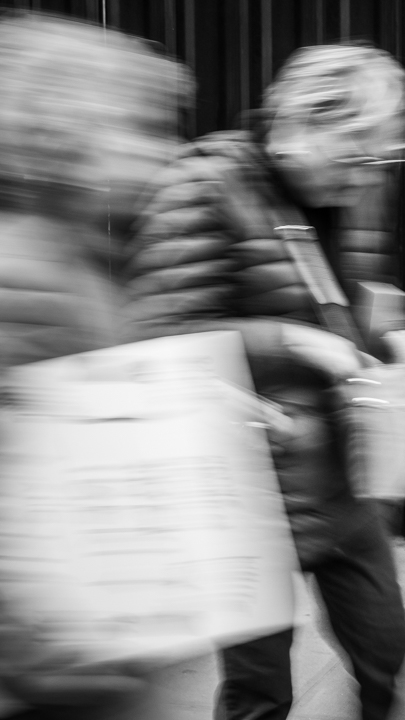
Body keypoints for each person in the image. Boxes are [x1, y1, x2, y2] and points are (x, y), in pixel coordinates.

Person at [125, 45, 405, 720]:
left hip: (341, 482)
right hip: (241, 495)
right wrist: (290, 340)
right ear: (301, 123)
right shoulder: (201, 182)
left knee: (386, 651)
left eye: (375, 157)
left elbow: (345, 315)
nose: (365, 174)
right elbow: (157, 343)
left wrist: (397, 343)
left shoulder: (343, 190)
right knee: (259, 695)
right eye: (354, 153)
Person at [0, 12, 191, 718]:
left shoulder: (77, 260)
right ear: (65, 134)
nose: (162, 153)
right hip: (61, 666)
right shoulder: (29, 280)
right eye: (137, 128)